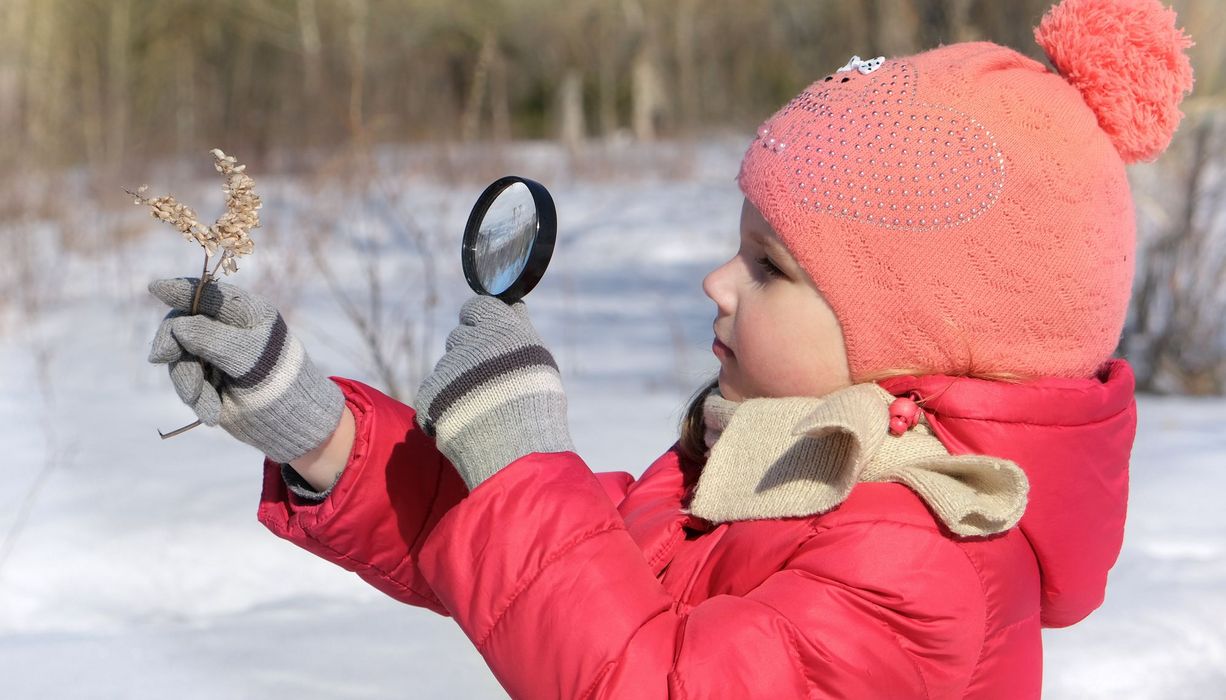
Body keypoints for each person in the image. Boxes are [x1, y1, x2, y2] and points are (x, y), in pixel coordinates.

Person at [146, 0, 1193, 696]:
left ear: (915, 342)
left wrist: (520, 464)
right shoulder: (758, 471)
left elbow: (642, 673)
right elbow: (551, 572)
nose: (716, 283)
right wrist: (324, 434)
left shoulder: (919, 563)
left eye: (770, 269)